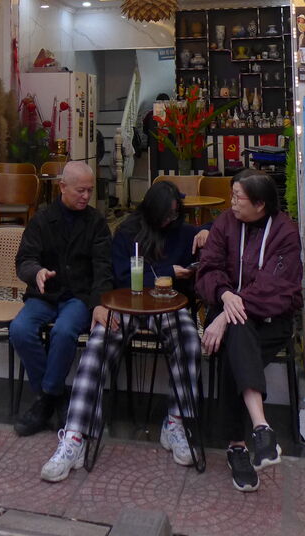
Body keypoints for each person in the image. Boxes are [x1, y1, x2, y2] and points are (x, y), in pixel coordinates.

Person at [40, 180, 208, 482]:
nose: (171, 220)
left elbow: (219, 228)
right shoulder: (129, 233)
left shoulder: (182, 231)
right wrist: (166, 273)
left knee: (189, 340)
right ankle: (75, 436)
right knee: (98, 344)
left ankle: (176, 422)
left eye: (175, 214)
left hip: (168, 306)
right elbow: (119, 276)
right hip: (127, 304)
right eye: (166, 215)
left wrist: (207, 231)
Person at [196, 168, 302, 492]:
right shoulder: (226, 223)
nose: (231, 202)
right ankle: (260, 428)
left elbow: (275, 288)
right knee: (238, 333)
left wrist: (225, 316)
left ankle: (237, 446)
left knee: (234, 336)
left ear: (260, 204)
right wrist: (225, 296)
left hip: (271, 321)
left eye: (237, 197)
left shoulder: (285, 233)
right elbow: (208, 269)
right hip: (231, 312)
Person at [10, 160, 113, 437]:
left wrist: (99, 303)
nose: (86, 196)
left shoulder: (96, 222)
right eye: (80, 190)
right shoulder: (42, 219)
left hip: (78, 296)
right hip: (45, 294)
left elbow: (103, 268)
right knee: (20, 329)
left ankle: (43, 402)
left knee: (65, 332)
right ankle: (54, 396)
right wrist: (37, 272)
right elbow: (24, 260)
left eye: (90, 190)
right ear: (62, 187)